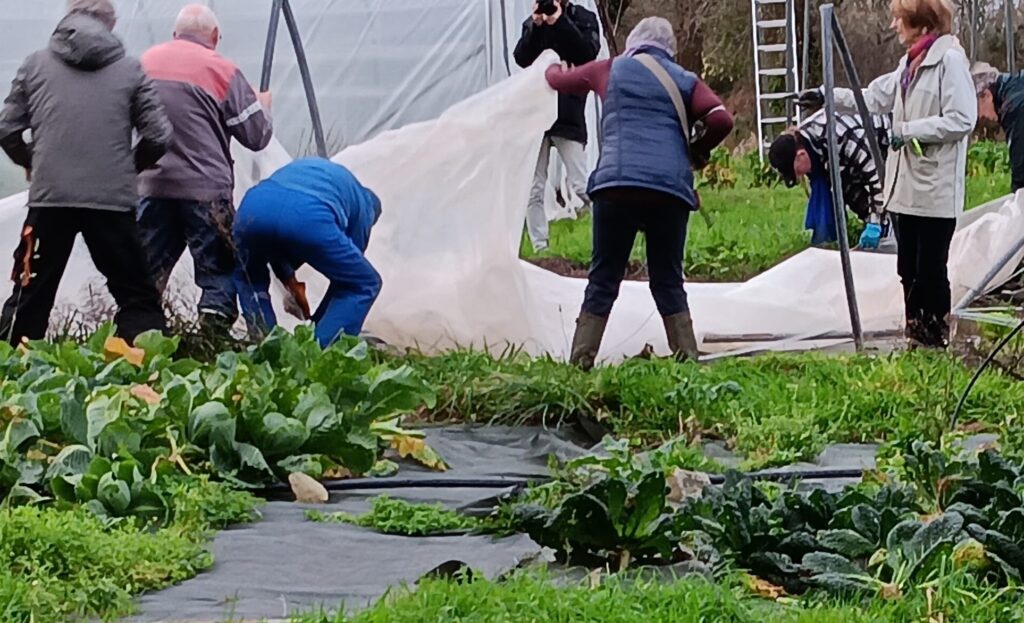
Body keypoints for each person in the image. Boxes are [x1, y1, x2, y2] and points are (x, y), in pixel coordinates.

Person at [545, 17, 734, 368]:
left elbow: (560, 82)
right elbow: (722, 119)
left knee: (603, 279)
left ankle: (580, 365)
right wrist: (696, 150)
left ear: (634, 42)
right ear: (669, 48)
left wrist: (551, 67)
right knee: (668, 281)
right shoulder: (685, 80)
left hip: (615, 188)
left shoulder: (609, 68)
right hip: (668, 191)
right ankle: (688, 364)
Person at [797, 0, 975, 348]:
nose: (894, 26)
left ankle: (936, 339)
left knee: (930, 271)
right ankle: (915, 336)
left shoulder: (949, 62)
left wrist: (908, 130)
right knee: (907, 269)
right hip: (905, 187)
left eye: (899, 19)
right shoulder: (908, 65)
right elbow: (873, 99)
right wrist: (826, 95)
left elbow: (962, 119)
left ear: (922, 25)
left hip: (935, 188)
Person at [0, 0, 172, 345]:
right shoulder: (130, 70)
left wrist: (32, 161)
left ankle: (10, 374)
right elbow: (159, 136)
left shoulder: (35, 64)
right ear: (110, 24)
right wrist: (128, 167)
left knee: (30, 294)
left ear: (68, 18)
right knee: (137, 296)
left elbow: (6, 129)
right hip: (112, 201)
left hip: (51, 198)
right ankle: (149, 377)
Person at [137, 4, 274, 331]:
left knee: (145, 274)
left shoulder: (143, 64)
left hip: (152, 186)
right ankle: (212, 343)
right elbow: (256, 136)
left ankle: (139, 341)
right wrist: (263, 107)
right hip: (206, 191)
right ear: (215, 36)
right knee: (218, 272)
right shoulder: (222, 70)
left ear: (175, 35)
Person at [234, 159, 383, 348]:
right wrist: (318, 325)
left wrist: (290, 281)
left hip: (253, 208)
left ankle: (265, 351)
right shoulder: (365, 208)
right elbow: (345, 282)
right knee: (364, 284)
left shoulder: (328, 177)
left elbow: (276, 230)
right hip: (308, 214)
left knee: (250, 280)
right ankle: (317, 359)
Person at [514, 0, 601, 251]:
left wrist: (559, 21)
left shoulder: (582, 18)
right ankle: (541, 248)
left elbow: (587, 52)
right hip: (536, 116)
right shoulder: (533, 23)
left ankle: (603, 243)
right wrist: (536, 26)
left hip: (568, 113)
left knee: (581, 184)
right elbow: (522, 58)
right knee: (534, 187)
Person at [768, 110, 894, 249]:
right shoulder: (814, 152)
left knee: (896, 227)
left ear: (801, 155)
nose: (801, 176)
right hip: (866, 161)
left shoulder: (838, 137)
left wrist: (875, 222)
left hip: (893, 143)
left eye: (797, 172)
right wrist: (867, 218)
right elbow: (847, 190)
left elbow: (877, 178)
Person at [971, 62, 1024, 192]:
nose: (978, 118)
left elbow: (1021, 170)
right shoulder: (1017, 86)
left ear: (986, 96)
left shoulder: (1014, 107)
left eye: (974, 109)